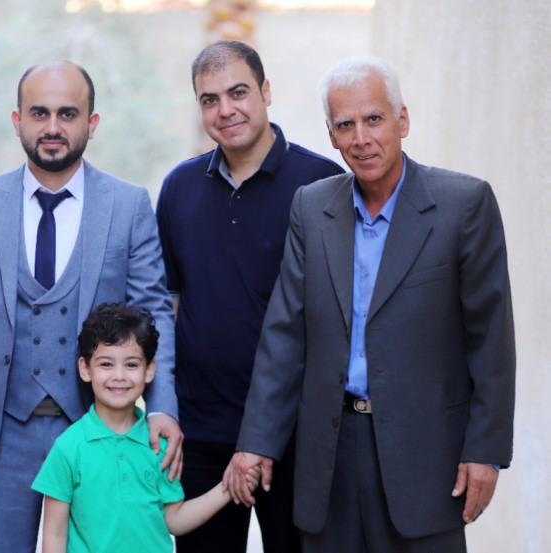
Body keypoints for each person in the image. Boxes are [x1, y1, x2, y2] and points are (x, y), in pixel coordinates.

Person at [224, 56, 516, 553]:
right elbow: (284, 335)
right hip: (329, 457)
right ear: (331, 136)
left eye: (374, 119)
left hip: (428, 458)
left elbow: (490, 340)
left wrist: (485, 451)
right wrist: (257, 442)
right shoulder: (312, 208)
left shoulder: (464, 205)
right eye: (345, 125)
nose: (361, 138)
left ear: (402, 120)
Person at [0, 59, 182, 552]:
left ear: (91, 122)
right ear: (17, 121)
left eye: (67, 114)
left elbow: (155, 313)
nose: (52, 127)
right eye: (39, 113)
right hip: (0, 438)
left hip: (97, 432)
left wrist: (162, 408)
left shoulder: (128, 205)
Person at [155, 40, 343, 553]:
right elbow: (167, 305)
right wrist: (163, 406)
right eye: (209, 100)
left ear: (265, 91)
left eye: (237, 93)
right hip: (200, 434)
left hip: (295, 436)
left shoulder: (323, 184)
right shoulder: (178, 187)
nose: (225, 110)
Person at [33, 303, 255, 553]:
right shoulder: (68, 447)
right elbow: (54, 534)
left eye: (131, 365)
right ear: (85, 369)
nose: (119, 375)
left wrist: (229, 488)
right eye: (106, 364)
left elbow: (174, 519)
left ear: (149, 370)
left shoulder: (160, 446)